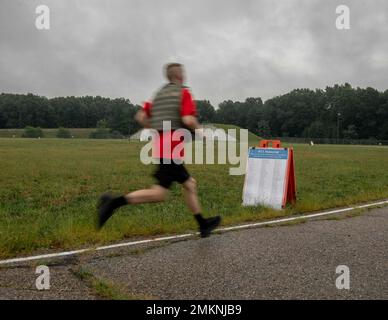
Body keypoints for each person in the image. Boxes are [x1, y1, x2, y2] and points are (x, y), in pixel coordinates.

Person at [97, 63, 221, 237]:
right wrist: (200, 131)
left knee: (188, 184)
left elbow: (140, 116)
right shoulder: (183, 93)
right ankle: (113, 203)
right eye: (183, 73)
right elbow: (187, 119)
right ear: (180, 76)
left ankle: (203, 224)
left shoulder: (159, 95)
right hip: (172, 149)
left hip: (161, 146)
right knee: (160, 193)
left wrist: (156, 127)